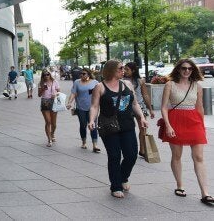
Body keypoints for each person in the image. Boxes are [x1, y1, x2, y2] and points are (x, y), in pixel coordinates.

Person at [88, 59, 148, 198]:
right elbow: (94, 106)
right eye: (120, 68)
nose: (123, 70)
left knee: (131, 155)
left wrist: (142, 118)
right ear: (111, 70)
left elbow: (134, 104)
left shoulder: (127, 84)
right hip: (109, 127)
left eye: (124, 68)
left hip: (127, 125)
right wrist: (91, 120)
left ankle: (123, 177)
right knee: (114, 156)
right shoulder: (100, 87)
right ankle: (115, 185)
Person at [160, 59, 213, 204]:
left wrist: (202, 126)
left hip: (194, 121)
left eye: (190, 69)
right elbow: (164, 107)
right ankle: (180, 185)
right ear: (178, 69)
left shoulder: (197, 86)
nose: (187, 71)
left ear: (193, 70)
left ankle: (205, 193)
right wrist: (168, 125)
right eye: (184, 68)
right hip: (175, 120)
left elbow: (200, 107)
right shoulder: (169, 84)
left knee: (199, 157)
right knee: (177, 155)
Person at [123, 62, 156, 158]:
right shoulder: (121, 80)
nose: (125, 71)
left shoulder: (140, 81)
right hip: (126, 107)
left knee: (143, 128)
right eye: (124, 69)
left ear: (133, 70)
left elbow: (145, 95)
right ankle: (129, 148)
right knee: (128, 128)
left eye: (127, 69)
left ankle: (142, 149)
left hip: (140, 106)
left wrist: (150, 109)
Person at [66, 68, 100, 152]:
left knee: (93, 126)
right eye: (81, 73)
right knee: (83, 125)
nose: (81, 75)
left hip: (93, 108)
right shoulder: (77, 82)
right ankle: (84, 142)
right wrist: (70, 102)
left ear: (88, 74)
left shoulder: (95, 82)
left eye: (84, 73)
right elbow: (74, 93)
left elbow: (99, 94)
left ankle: (95, 145)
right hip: (81, 108)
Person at [38, 69, 60, 147]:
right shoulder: (41, 83)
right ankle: (49, 139)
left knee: (54, 124)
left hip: (54, 102)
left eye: (47, 74)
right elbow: (39, 95)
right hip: (45, 102)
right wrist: (43, 89)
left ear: (50, 74)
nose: (46, 76)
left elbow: (59, 92)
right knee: (48, 121)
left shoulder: (55, 82)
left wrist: (56, 94)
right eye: (44, 75)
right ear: (42, 76)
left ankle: (52, 133)